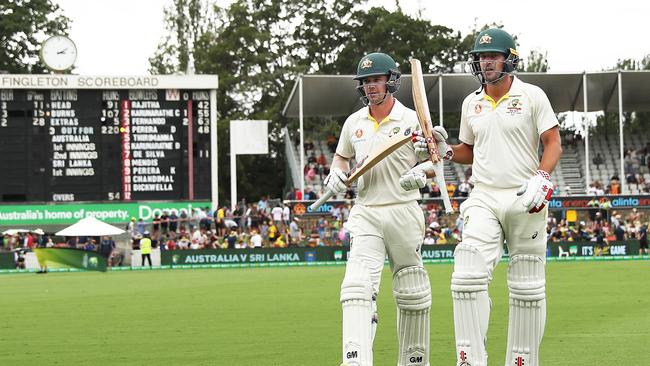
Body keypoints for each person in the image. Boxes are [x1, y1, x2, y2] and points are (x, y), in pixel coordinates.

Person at [402, 28, 562, 366]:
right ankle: (470, 359)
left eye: (492, 56)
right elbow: (468, 152)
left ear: (509, 59)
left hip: (524, 195)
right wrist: (444, 151)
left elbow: (553, 142)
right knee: (467, 272)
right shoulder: (471, 102)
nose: (485, 62)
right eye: (481, 57)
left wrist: (542, 177)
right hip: (484, 195)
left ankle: (522, 361)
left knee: (527, 285)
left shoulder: (532, 95)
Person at [324, 52, 431, 366]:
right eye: (366, 81)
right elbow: (342, 158)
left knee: (411, 291)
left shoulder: (412, 119)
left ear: (391, 81)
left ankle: (414, 360)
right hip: (366, 210)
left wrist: (421, 171)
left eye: (376, 79)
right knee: (357, 286)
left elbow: (433, 160)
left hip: (403, 209)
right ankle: (355, 359)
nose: (371, 86)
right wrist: (335, 173)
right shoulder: (353, 123)